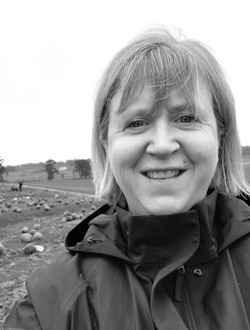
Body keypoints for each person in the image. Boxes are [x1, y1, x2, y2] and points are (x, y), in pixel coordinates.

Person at [3, 27, 250, 330]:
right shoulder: (49, 307)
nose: (162, 145)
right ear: (106, 143)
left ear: (220, 134)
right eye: (136, 122)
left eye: (186, 118)